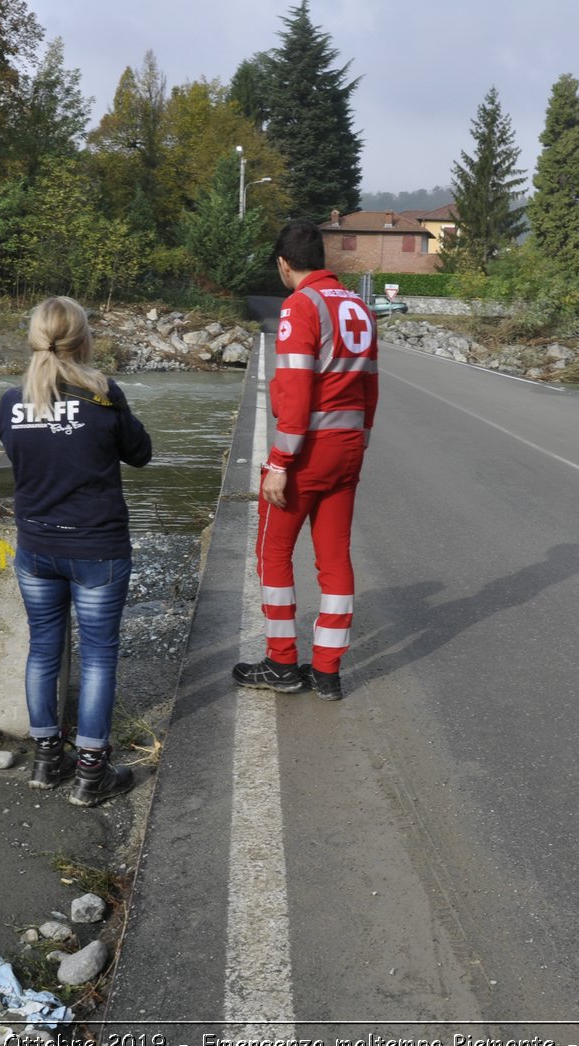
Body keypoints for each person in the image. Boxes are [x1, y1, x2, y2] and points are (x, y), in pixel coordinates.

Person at [0, 296, 152, 806]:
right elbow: (141, 454)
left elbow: (26, 458)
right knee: (98, 657)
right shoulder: (104, 395)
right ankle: (91, 773)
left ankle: (46, 761)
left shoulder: (11, 401)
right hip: (96, 549)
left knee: (44, 649)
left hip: (37, 545)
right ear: (84, 338)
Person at [233, 220, 378, 701]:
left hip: (308, 450)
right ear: (323, 257)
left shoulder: (300, 306)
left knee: (273, 553)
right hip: (349, 445)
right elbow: (369, 384)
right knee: (334, 557)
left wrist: (278, 462)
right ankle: (328, 671)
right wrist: (362, 438)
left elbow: (295, 393)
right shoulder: (358, 306)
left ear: (283, 263)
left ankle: (280, 663)